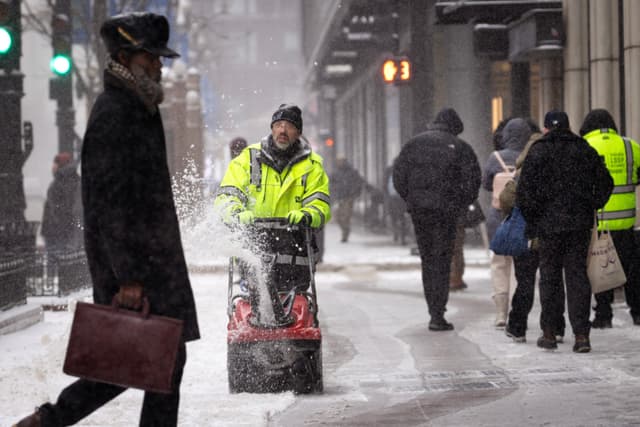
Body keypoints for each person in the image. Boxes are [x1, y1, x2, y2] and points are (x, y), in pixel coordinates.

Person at [14, 12, 200, 427]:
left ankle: (47, 422)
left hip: (149, 260)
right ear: (127, 56)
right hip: (137, 267)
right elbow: (113, 203)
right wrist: (129, 277)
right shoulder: (116, 111)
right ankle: (48, 421)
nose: (159, 65)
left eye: (160, 59)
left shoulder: (136, 106)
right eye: (152, 57)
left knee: (142, 360)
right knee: (149, 359)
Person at [214, 104, 331, 323]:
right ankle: (261, 322)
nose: (283, 131)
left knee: (295, 298)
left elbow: (320, 203)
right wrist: (236, 212)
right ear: (271, 128)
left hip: (294, 247)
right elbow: (227, 195)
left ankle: (288, 333)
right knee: (256, 286)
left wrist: (308, 215)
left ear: (299, 132)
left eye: (289, 126)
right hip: (255, 242)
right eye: (278, 125)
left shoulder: (312, 165)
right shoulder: (248, 159)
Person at [516, 110, 612, 353]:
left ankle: (549, 332)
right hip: (578, 223)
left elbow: (524, 192)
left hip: (548, 225)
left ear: (546, 128)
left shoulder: (538, 151)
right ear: (569, 126)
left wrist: (534, 218)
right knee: (578, 276)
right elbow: (605, 183)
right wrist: (592, 204)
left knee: (549, 277)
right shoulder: (583, 149)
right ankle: (581, 335)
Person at [393, 107, 481, 331]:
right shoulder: (461, 147)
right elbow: (473, 180)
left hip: (421, 212)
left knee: (428, 259)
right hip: (447, 212)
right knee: (443, 258)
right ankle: (438, 313)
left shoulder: (413, 144)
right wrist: (460, 203)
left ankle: (432, 307)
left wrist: (412, 199)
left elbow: (399, 177)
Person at [500, 119, 566, 343]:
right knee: (554, 280)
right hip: (554, 229)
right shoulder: (559, 167)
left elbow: (506, 200)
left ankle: (517, 326)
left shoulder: (524, 170)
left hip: (527, 232)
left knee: (525, 281)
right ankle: (556, 326)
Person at [579, 109, 640, 328]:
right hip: (626, 221)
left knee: (600, 267)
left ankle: (603, 314)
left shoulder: (585, 145)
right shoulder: (630, 146)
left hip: (598, 220)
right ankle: (637, 311)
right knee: (631, 269)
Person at [482, 118, 532, 327]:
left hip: (498, 218)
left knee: (500, 264)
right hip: (523, 217)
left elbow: (485, 184)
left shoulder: (495, 158)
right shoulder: (531, 156)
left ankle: (501, 311)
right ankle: (517, 308)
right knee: (522, 265)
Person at [40, 152, 82, 255]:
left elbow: (59, 208)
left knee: (56, 260)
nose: (52, 167)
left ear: (60, 165)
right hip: (62, 230)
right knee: (64, 261)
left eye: (55, 163)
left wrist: (58, 226)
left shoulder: (60, 182)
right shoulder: (73, 180)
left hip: (56, 231)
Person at [330, 157, 364, 242]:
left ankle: (345, 234)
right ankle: (345, 230)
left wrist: (355, 193)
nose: (339, 163)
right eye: (338, 161)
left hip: (348, 198)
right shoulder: (336, 173)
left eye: (341, 161)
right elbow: (330, 183)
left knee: (345, 216)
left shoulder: (352, 172)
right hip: (338, 198)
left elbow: (359, 182)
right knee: (337, 217)